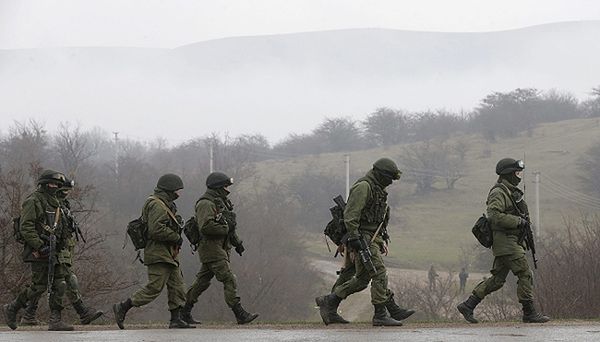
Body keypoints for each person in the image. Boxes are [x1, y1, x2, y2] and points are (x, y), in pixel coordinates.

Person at [315, 158, 415, 326]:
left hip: (371, 237)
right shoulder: (364, 187)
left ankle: (329, 302)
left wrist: (381, 239)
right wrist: (354, 238)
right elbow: (351, 215)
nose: (390, 182)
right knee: (378, 272)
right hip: (362, 237)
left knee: (362, 279)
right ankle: (380, 314)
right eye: (389, 178)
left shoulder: (377, 189)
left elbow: (377, 218)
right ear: (380, 174)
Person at [457, 158, 549, 324]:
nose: (519, 176)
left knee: (497, 280)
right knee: (525, 273)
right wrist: (518, 222)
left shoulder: (509, 192)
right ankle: (529, 312)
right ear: (508, 174)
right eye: (517, 173)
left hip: (508, 243)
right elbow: (494, 216)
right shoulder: (499, 192)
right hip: (506, 243)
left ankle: (468, 305)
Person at [113, 174, 193, 329]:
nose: (179, 193)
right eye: (177, 190)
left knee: (177, 286)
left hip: (168, 253)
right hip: (158, 253)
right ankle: (123, 306)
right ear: (169, 189)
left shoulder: (165, 204)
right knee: (154, 287)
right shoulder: (157, 205)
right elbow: (156, 230)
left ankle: (175, 319)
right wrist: (176, 237)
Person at [20, 178, 103, 326]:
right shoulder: (48, 203)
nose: (65, 193)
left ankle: (29, 314)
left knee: (46, 282)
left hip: (60, 248)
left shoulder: (61, 204)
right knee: (56, 281)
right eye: (63, 190)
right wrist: (40, 246)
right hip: (46, 248)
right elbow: (30, 227)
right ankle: (80, 312)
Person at [181, 172, 258, 325]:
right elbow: (206, 227)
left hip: (219, 248)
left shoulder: (220, 202)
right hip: (211, 248)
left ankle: (184, 311)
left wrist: (237, 243)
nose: (228, 189)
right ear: (217, 187)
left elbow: (229, 226)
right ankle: (239, 313)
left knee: (202, 282)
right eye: (225, 186)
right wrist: (225, 228)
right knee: (229, 278)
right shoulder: (205, 203)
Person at [2, 170, 74, 331]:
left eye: (57, 184)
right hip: (39, 250)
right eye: (52, 183)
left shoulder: (55, 201)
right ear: (43, 184)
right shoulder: (33, 200)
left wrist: (62, 243)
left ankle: (55, 320)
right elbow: (26, 227)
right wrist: (40, 246)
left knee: (60, 284)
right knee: (39, 286)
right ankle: (12, 307)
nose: (54, 186)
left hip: (55, 249)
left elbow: (60, 226)